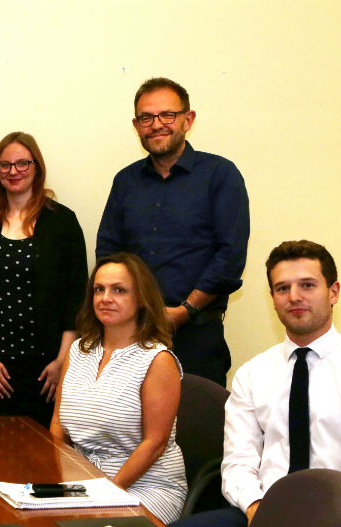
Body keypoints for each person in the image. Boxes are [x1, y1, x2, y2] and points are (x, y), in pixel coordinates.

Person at [171, 241, 340, 527]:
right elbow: (238, 462)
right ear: (273, 298)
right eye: (282, 288)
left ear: (333, 292)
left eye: (307, 285)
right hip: (263, 512)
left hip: (334, 518)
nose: (294, 296)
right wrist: (255, 507)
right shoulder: (253, 374)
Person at [96, 77, 250, 387]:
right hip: (133, 335)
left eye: (167, 115)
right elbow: (109, 255)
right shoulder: (125, 182)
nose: (157, 125)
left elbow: (230, 256)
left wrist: (185, 310)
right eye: (146, 118)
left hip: (197, 337)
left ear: (187, 119)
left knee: (196, 428)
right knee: (132, 431)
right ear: (136, 125)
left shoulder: (220, 175)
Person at [50, 253, 186, 523]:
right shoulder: (78, 350)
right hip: (84, 482)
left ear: (142, 299)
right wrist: (61, 478)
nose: (105, 298)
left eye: (119, 290)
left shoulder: (157, 360)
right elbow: (57, 424)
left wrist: (106, 493)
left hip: (147, 486)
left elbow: (155, 443)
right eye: (99, 289)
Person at [0, 132, 87, 425]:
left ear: (37, 168)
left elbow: (76, 297)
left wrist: (63, 361)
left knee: (46, 455)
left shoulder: (62, 222)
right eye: (5, 165)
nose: (14, 171)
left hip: (48, 367)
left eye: (22, 163)